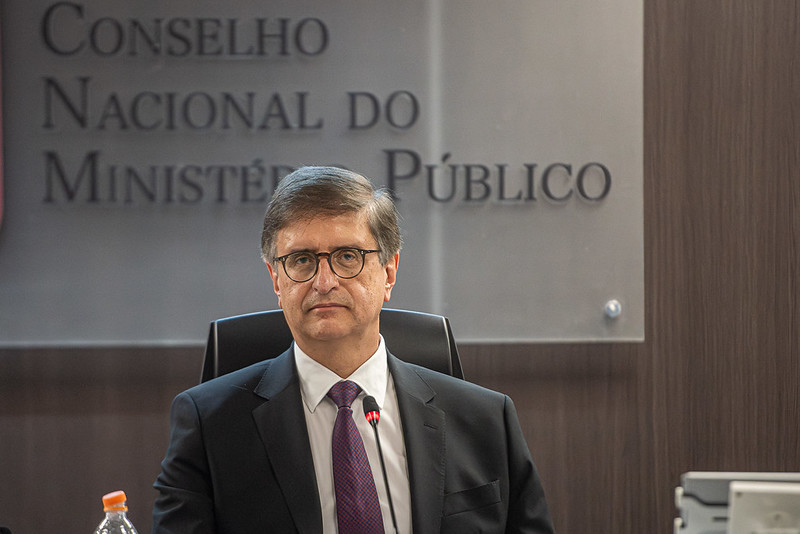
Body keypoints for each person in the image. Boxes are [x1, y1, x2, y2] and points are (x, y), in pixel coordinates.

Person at [152, 166, 555, 533]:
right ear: (276, 280)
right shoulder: (210, 426)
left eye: (348, 256)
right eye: (302, 260)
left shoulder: (486, 420)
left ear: (389, 272)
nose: (324, 281)